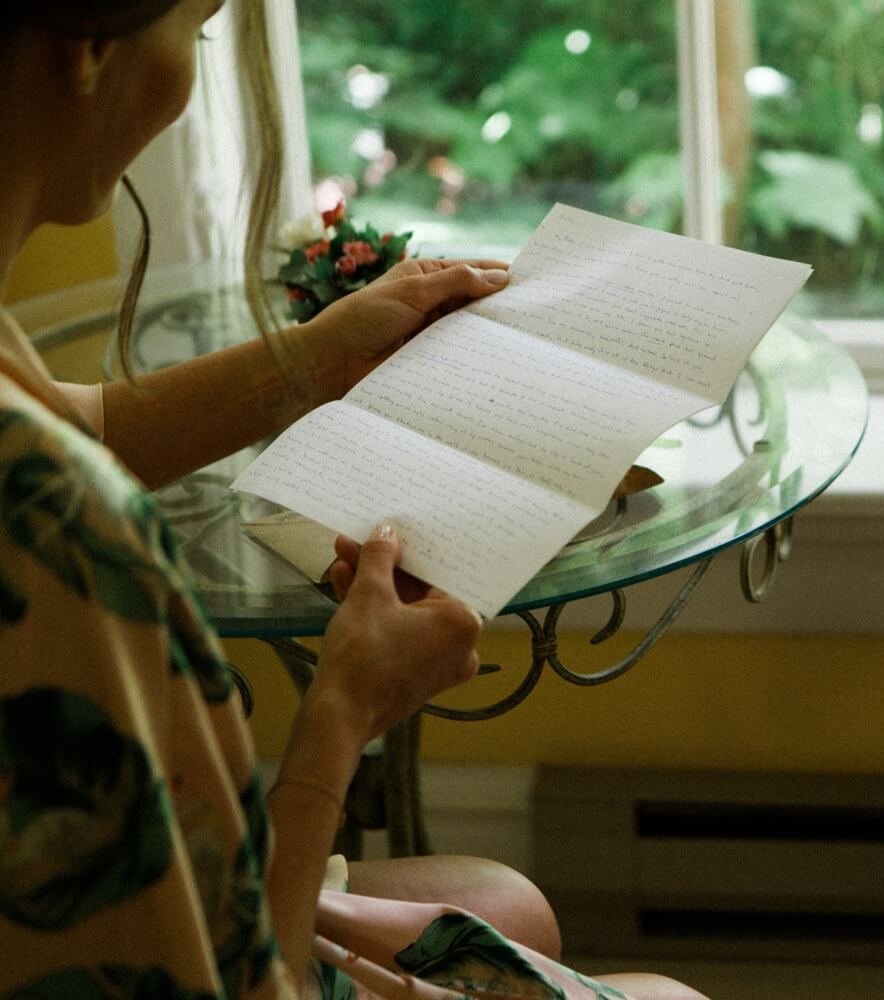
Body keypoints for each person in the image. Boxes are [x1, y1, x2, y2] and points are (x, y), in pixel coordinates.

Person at [0, 3, 708, 997]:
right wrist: (343, 709)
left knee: (509, 904)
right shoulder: (54, 528)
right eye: (197, 31)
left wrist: (319, 356)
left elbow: (88, 419)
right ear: (86, 48)